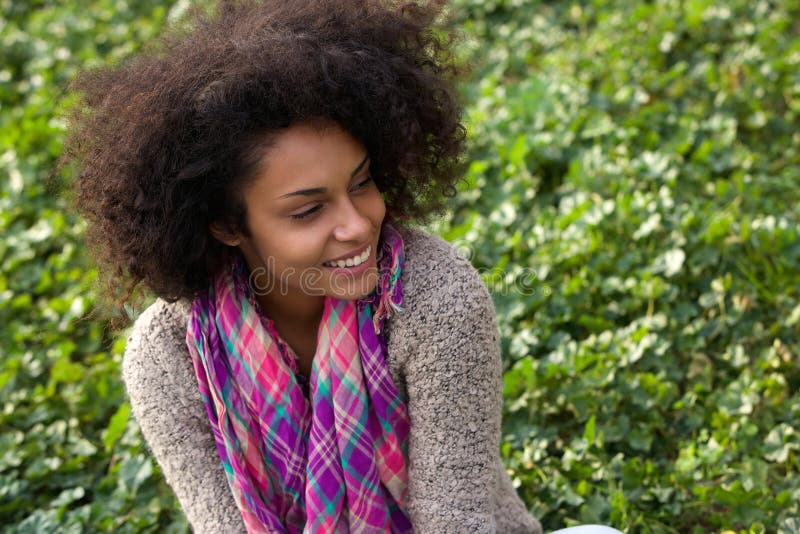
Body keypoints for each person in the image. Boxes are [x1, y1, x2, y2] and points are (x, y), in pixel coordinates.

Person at [65, 1, 620, 533]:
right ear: (226, 225)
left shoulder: (437, 298)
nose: (357, 224)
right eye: (308, 210)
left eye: (361, 183)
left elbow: (454, 522)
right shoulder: (167, 355)